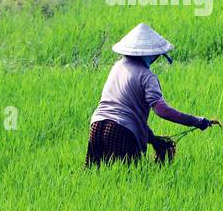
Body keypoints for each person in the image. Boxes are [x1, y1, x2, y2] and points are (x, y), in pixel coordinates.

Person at [87, 23, 216, 166]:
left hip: (96, 126)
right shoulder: (147, 76)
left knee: (94, 175)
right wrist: (196, 121)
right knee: (131, 181)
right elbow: (162, 110)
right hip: (122, 133)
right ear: (153, 54)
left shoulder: (117, 67)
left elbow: (127, 114)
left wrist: (153, 139)